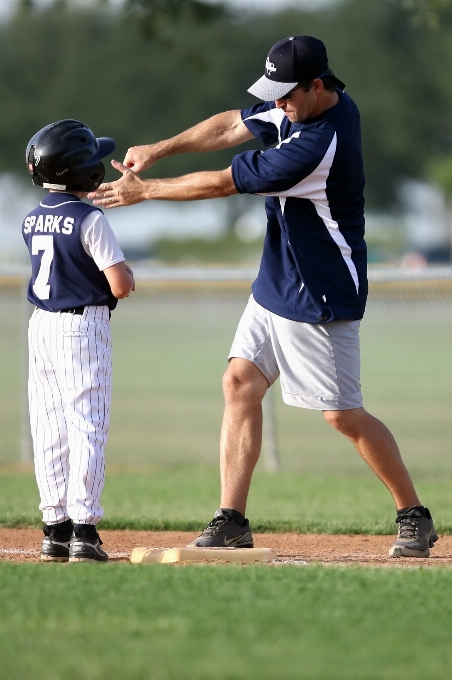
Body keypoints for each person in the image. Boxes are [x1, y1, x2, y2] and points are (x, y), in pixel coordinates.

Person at [88, 36, 437, 558]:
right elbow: (233, 123)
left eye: (286, 94)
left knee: (341, 414)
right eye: (272, 93)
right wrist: (159, 148)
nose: (277, 104)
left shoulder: (316, 146)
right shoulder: (302, 107)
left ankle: (414, 515)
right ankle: (231, 520)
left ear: (317, 86)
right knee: (239, 382)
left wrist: (147, 190)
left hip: (320, 290)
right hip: (277, 279)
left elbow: (223, 184)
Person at [23, 119, 135, 563]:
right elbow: (120, 284)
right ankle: (84, 531)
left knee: (49, 427)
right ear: (84, 173)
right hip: (81, 328)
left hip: (41, 326)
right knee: (87, 424)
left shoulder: (33, 217)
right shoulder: (90, 218)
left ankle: (54, 528)